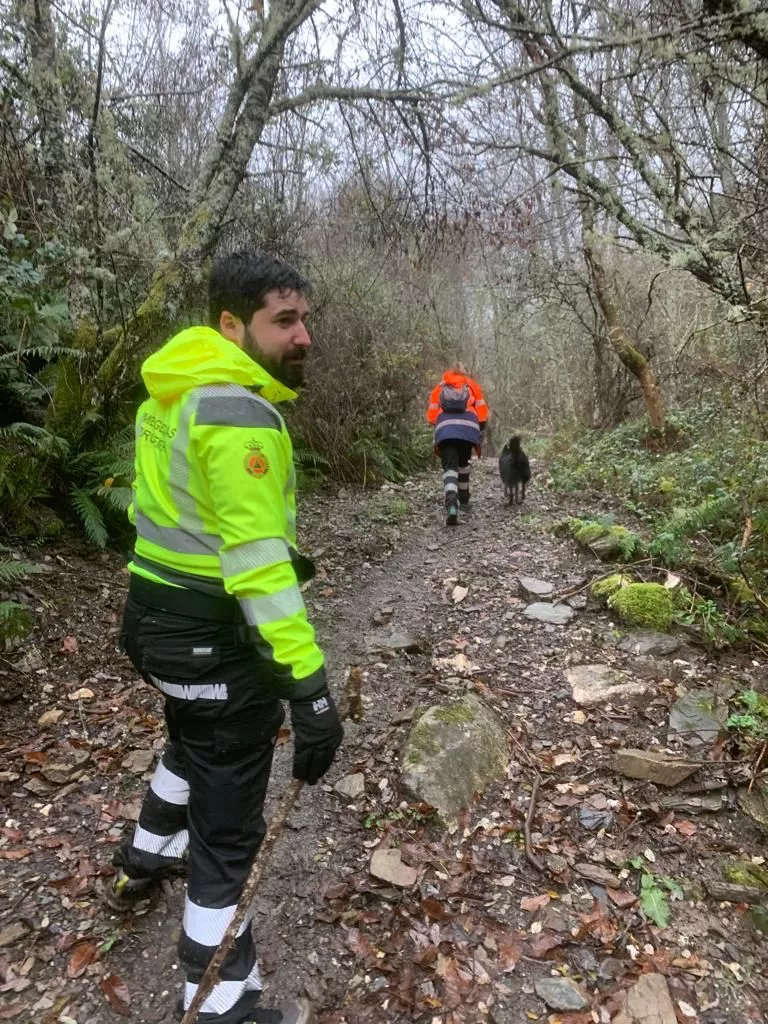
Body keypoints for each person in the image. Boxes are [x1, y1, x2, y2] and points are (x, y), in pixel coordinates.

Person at [106, 250, 343, 1024]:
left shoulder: (174, 389)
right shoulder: (238, 414)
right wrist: (309, 691)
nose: (304, 336)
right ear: (232, 325)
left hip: (152, 620)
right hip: (207, 635)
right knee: (229, 828)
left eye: (305, 318)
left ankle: (144, 856)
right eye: (285, 320)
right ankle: (219, 1000)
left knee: (192, 732)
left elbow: (161, 512)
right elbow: (259, 567)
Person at [426, 363, 488, 525]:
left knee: (450, 467)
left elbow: (431, 417)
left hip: (445, 430)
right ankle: (464, 500)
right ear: (464, 372)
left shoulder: (439, 388)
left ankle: (452, 506)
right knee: (463, 464)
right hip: (467, 430)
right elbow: (482, 413)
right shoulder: (472, 386)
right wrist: (479, 430)